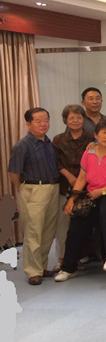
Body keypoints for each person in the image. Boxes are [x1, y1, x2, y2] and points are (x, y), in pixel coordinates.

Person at [55, 118, 106, 281]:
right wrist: (73, 199)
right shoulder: (88, 153)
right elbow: (82, 178)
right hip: (92, 194)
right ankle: (68, 268)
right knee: (77, 224)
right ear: (96, 135)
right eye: (104, 132)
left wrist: (102, 191)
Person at [8, 107, 60, 285]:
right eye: (38, 121)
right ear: (28, 124)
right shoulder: (22, 145)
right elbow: (14, 173)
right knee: (34, 231)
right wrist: (25, 189)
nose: (43, 124)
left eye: (46, 120)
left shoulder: (49, 142)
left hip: (53, 188)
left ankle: (41, 266)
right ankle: (33, 271)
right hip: (33, 190)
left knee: (48, 231)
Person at [52, 105, 94, 273]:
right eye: (71, 118)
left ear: (84, 119)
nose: (75, 121)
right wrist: (69, 176)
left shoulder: (91, 139)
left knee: (81, 225)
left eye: (79, 117)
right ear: (66, 120)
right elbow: (55, 162)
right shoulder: (58, 140)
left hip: (85, 187)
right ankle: (62, 259)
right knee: (62, 224)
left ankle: (79, 258)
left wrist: (81, 180)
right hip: (64, 185)